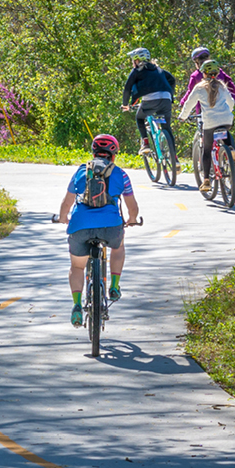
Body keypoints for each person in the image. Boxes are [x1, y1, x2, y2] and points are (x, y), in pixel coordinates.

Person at [57, 133, 140, 326]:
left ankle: (77, 305)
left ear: (94, 152)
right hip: (110, 227)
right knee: (118, 247)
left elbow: (67, 202)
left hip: (80, 227)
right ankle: (115, 286)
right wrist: (132, 219)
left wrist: (62, 218)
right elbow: (132, 206)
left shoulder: (80, 171)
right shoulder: (121, 174)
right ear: (113, 154)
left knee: (77, 266)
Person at [179, 60, 235, 193]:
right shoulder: (222, 86)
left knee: (206, 150)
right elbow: (231, 102)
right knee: (225, 131)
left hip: (210, 122)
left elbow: (189, 104)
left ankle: (206, 181)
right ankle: (230, 149)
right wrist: (229, 110)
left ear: (203, 73)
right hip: (226, 120)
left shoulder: (199, 88)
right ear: (216, 74)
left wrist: (183, 116)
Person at [121, 48, 177, 158]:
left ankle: (145, 143)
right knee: (166, 127)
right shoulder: (158, 69)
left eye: (133, 60)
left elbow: (127, 88)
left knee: (139, 117)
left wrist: (125, 104)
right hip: (166, 99)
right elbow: (172, 79)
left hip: (150, 100)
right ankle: (175, 158)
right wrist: (170, 93)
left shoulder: (137, 71)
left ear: (137, 60)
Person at [179, 45, 235, 112]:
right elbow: (229, 83)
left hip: (203, 109)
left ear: (196, 63)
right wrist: (233, 96)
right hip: (222, 106)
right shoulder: (218, 71)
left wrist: (183, 103)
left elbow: (190, 92)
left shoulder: (195, 75)